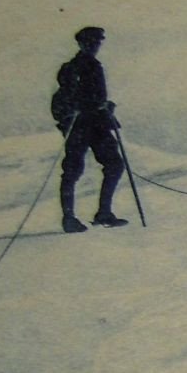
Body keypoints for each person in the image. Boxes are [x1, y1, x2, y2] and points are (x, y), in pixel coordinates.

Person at [52, 26, 128, 233]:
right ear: (83, 44)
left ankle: (102, 212)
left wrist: (105, 106)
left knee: (114, 164)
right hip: (81, 126)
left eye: (97, 43)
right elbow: (68, 96)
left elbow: (95, 98)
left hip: (96, 124)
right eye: (93, 43)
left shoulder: (92, 66)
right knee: (73, 170)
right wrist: (89, 106)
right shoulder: (72, 68)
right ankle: (70, 218)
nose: (95, 46)